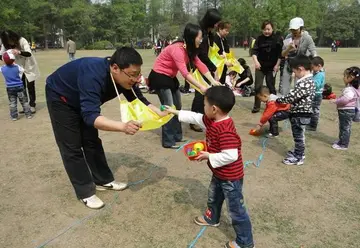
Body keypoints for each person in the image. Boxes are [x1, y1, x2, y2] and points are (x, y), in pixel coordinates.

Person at [46, 47, 164, 209]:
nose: (136, 79)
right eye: (133, 74)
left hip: (85, 103)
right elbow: (91, 117)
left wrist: (160, 113)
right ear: (115, 68)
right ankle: (85, 192)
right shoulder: (92, 75)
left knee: (91, 141)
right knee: (71, 146)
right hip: (61, 97)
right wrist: (123, 126)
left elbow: (138, 98)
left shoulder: (125, 77)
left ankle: (103, 180)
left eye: (138, 74)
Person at [165, 86, 254, 248]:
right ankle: (212, 217)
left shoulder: (225, 129)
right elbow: (196, 117)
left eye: (204, 105)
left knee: (236, 209)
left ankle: (246, 242)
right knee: (214, 197)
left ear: (214, 109)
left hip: (231, 177)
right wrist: (174, 112)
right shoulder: (212, 119)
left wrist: (208, 156)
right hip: (219, 173)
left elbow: (231, 155)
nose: (202, 108)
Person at [148, 23, 220, 149]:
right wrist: (201, 87)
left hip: (170, 77)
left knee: (178, 106)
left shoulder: (190, 49)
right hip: (159, 77)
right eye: (200, 37)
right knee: (169, 107)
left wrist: (212, 81)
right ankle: (168, 141)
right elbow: (186, 74)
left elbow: (200, 64)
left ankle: (177, 136)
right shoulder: (178, 49)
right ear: (192, 37)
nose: (201, 40)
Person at [276, 55, 315, 165]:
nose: (295, 75)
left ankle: (299, 157)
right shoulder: (308, 80)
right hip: (300, 113)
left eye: (295, 72)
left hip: (300, 114)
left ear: (301, 69)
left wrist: (278, 99)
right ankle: (298, 152)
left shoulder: (305, 82)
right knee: (299, 136)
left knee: (299, 137)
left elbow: (292, 97)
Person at [190, 8, 222, 132]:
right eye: (216, 22)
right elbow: (201, 54)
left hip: (205, 65)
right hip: (198, 66)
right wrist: (213, 68)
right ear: (210, 21)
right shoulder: (200, 32)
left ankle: (202, 117)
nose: (217, 25)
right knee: (200, 93)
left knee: (204, 94)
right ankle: (194, 121)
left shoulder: (209, 33)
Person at [0, 30, 40, 113]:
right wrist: (6, 56)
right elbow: (1, 55)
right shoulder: (5, 45)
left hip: (29, 65)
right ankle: (25, 106)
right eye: (7, 41)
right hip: (18, 67)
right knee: (22, 87)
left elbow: (29, 53)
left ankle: (32, 105)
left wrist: (19, 52)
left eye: (10, 40)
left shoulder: (22, 40)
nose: (9, 42)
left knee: (30, 86)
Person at [251, 20, 283, 113]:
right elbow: (254, 52)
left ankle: (273, 105)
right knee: (258, 87)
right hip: (260, 67)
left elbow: (280, 54)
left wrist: (277, 65)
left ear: (272, 29)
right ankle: (256, 106)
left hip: (272, 67)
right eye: (265, 29)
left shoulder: (277, 39)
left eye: (269, 29)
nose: (267, 31)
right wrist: (256, 62)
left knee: (271, 87)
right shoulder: (259, 39)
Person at [280, 17, 317, 96]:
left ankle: (296, 106)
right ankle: (285, 105)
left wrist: (316, 62)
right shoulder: (288, 37)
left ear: (301, 28)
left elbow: (313, 51)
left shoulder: (307, 38)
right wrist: (289, 48)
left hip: (301, 66)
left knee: (299, 86)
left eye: (295, 29)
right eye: (292, 30)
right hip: (289, 64)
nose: (293, 32)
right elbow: (283, 54)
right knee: (284, 88)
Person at [331, 67, 360, 150]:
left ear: (351, 77)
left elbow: (345, 100)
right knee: (344, 127)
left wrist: (336, 101)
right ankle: (341, 141)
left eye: (345, 76)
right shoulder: (355, 88)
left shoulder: (349, 90)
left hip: (346, 111)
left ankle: (343, 145)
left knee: (345, 128)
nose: (343, 78)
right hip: (347, 111)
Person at [0, 50, 32, 120]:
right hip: (20, 86)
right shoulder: (17, 67)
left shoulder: (2, 68)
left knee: (12, 102)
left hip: (10, 88)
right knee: (24, 101)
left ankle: (14, 116)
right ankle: (28, 114)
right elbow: (22, 70)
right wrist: (14, 64)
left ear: (4, 60)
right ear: (13, 59)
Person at [308, 56, 325, 131]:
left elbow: (316, 84)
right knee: (312, 109)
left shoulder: (320, 74)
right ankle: (311, 122)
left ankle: (313, 125)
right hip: (314, 94)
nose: (312, 69)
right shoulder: (317, 73)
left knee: (315, 110)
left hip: (317, 95)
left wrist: (309, 81)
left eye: (313, 67)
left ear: (319, 66)